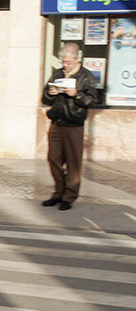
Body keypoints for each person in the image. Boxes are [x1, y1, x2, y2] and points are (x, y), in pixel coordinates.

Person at [41, 42, 98, 211]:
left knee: (73, 162)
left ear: (77, 59)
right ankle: (58, 192)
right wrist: (50, 94)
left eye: (69, 62)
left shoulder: (86, 76)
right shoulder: (58, 74)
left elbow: (92, 100)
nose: (65, 65)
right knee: (54, 159)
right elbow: (44, 99)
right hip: (57, 122)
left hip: (74, 123)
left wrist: (77, 95)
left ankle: (69, 196)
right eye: (64, 62)